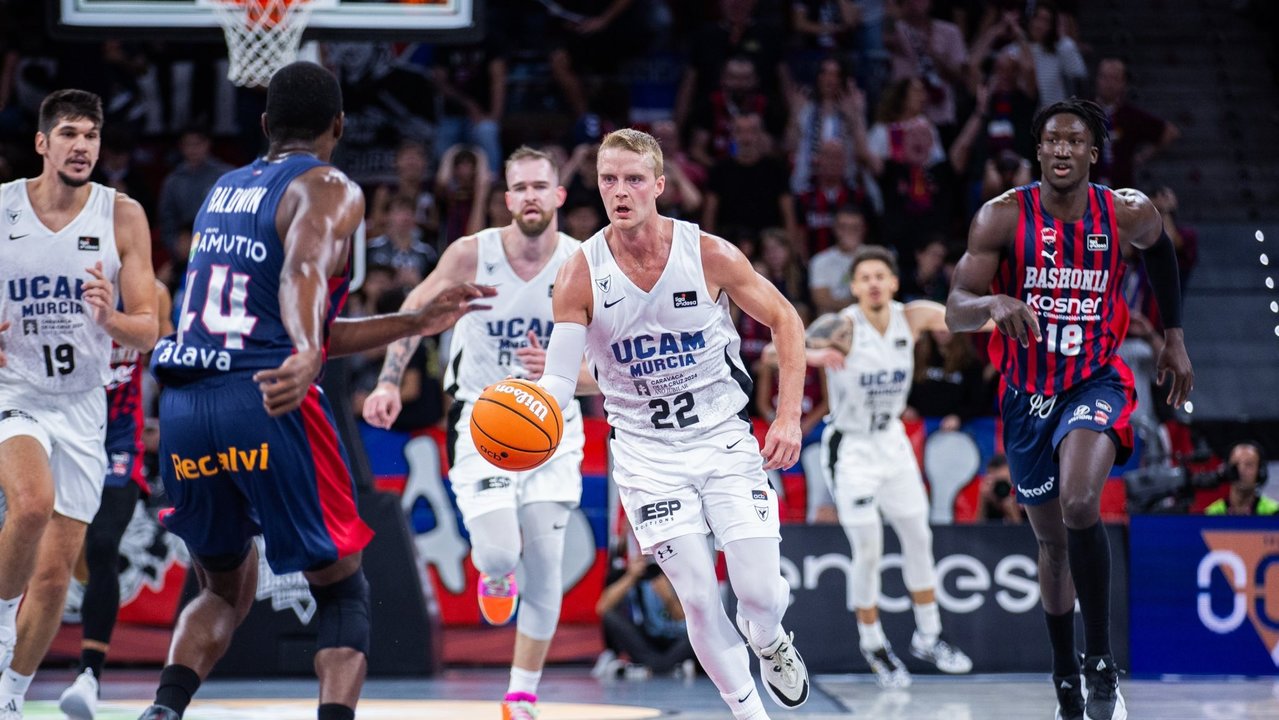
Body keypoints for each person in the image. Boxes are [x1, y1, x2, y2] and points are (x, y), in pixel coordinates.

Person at [139, 62, 493, 720]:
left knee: (222, 589)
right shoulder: (329, 184)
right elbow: (302, 269)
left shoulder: (224, 188)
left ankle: (162, 711)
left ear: (266, 124)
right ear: (339, 126)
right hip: (267, 396)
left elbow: (297, 316)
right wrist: (304, 351)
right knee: (341, 594)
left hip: (189, 402)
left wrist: (411, 323)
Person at [534, 128, 811, 720]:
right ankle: (748, 713)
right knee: (698, 599)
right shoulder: (579, 272)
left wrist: (787, 417)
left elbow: (786, 319)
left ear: (660, 185)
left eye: (634, 178)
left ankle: (768, 641)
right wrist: (535, 417)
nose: (620, 191)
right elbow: (560, 380)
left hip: (723, 439)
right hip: (646, 454)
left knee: (760, 595)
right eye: (609, 179)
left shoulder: (708, 253)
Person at [946, 97, 1193, 720]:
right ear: (1038, 151)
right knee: (1053, 546)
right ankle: (1064, 673)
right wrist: (993, 303)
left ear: (1092, 152)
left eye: (1074, 141)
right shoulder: (1001, 217)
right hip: (1028, 397)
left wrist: (1173, 337)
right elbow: (954, 307)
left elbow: (1161, 252)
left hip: (1096, 381)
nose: (1061, 149)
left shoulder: (1125, 211)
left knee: (1084, 501)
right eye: (1051, 140)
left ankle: (1101, 662)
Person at [363, 145, 590, 720]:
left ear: (559, 195)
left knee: (547, 565)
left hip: (555, 428)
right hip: (484, 423)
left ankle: (521, 694)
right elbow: (414, 312)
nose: (532, 196)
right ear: (506, 198)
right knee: (496, 552)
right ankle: (494, 574)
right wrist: (390, 381)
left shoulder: (585, 262)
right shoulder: (472, 254)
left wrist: (564, 374)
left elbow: (610, 369)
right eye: (521, 188)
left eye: (542, 185)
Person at [0, 88, 159, 720]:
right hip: (17, 391)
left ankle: (10, 695)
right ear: (42, 143)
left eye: (90, 136)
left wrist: (109, 315)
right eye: (68, 134)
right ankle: (2, 619)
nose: (81, 146)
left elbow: (149, 329)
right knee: (31, 504)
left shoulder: (122, 216)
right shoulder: (4, 207)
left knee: (58, 572)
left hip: (86, 405)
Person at [801, 246, 974, 689]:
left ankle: (929, 635)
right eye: (865, 277)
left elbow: (971, 318)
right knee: (870, 549)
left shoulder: (912, 315)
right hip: (852, 447)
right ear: (854, 287)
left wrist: (1017, 312)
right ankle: (872, 642)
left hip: (892, 441)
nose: (874, 283)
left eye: (881, 275)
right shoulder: (840, 325)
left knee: (919, 536)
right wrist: (815, 357)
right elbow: (774, 354)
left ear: (894, 282)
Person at [58, 281, 173, 720]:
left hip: (119, 439)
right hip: (63, 430)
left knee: (104, 545)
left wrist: (168, 420)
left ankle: (89, 676)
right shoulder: (58, 281)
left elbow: (164, 359)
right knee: (42, 549)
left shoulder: (150, 292)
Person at [593, 547, 695, 680]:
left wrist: (669, 599)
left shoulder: (681, 574)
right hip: (647, 640)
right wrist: (631, 576)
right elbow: (602, 608)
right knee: (611, 617)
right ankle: (666, 666)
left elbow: (685, 619)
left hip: (677, 639)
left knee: (698, 633)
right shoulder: (633, 576)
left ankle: (653, 667)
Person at [1204, 442, 1276, 516]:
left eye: (1249, 465)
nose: (1241, 470)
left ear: (1260, 472)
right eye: (1236, 464)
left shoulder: (1273, 513)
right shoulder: (1213, 513)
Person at [975, 453, 1023, 524]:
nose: (1002, 488)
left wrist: (1014, 513)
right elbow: (977, 533)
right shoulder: (989, 502)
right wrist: (983, 503)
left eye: (1005, 483)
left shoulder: (1028, 504)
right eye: (997, 483)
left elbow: (1028, 534)